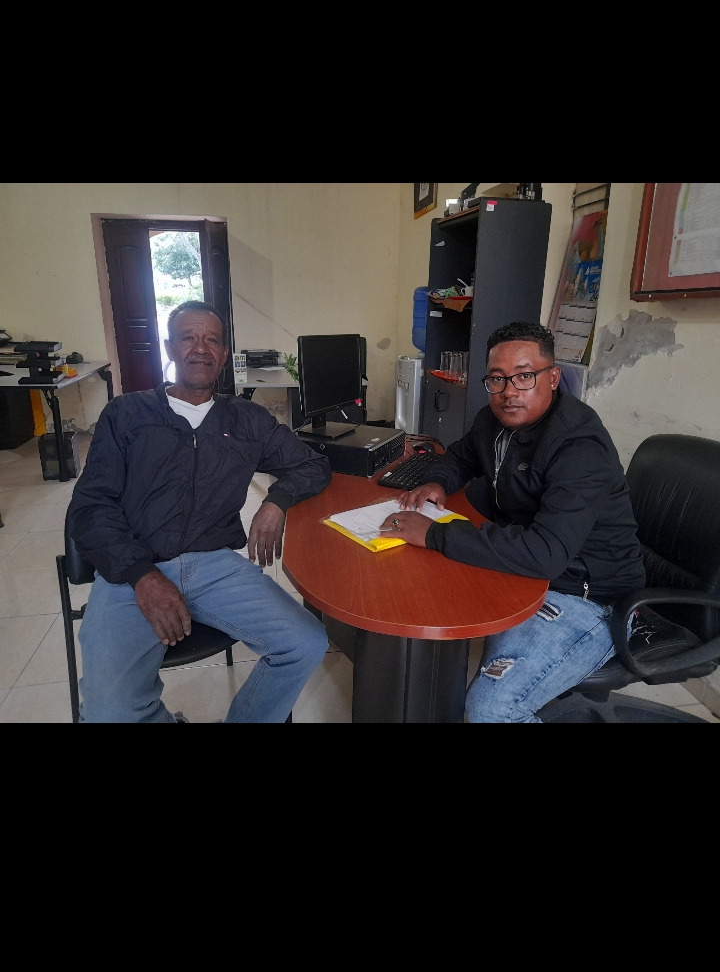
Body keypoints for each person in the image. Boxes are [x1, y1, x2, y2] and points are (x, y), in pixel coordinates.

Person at [69, 302, 331, 722]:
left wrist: (277, 500)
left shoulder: (246, 419)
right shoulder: (127, 413)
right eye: (188, 338)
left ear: (224, 354)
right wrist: (141, 574)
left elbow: (313, 465)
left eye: (212, 340)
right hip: (133, 569)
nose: (201, 348)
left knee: (305, 644)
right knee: (109, 713)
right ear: (170, 348)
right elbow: (90, 507)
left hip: (214, 566)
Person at [380, 321, 645, 723]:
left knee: (492, 709)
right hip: (528, 575)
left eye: (524, 376)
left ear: (552, 377)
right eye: (497, 379)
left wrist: (434, 533)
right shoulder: (495, 420)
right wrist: (438, 482)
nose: (509, 392)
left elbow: (545, 554)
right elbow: (460, 457)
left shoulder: (578, 446)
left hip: (589, 599)